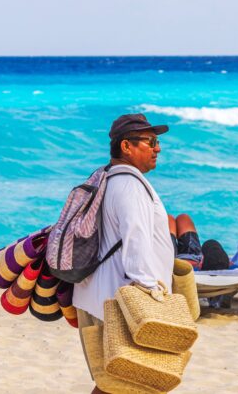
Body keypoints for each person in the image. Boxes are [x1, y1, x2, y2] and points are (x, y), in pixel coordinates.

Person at [73, 113, 175, 394]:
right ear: (126, 147)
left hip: (95, 297)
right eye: (151, 141)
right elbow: (136, 244)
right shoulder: (130, 185)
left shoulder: (104, 179)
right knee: (128, 384)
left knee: (114, 383)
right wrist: (153, 294)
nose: (158, 148)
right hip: (120, 304)